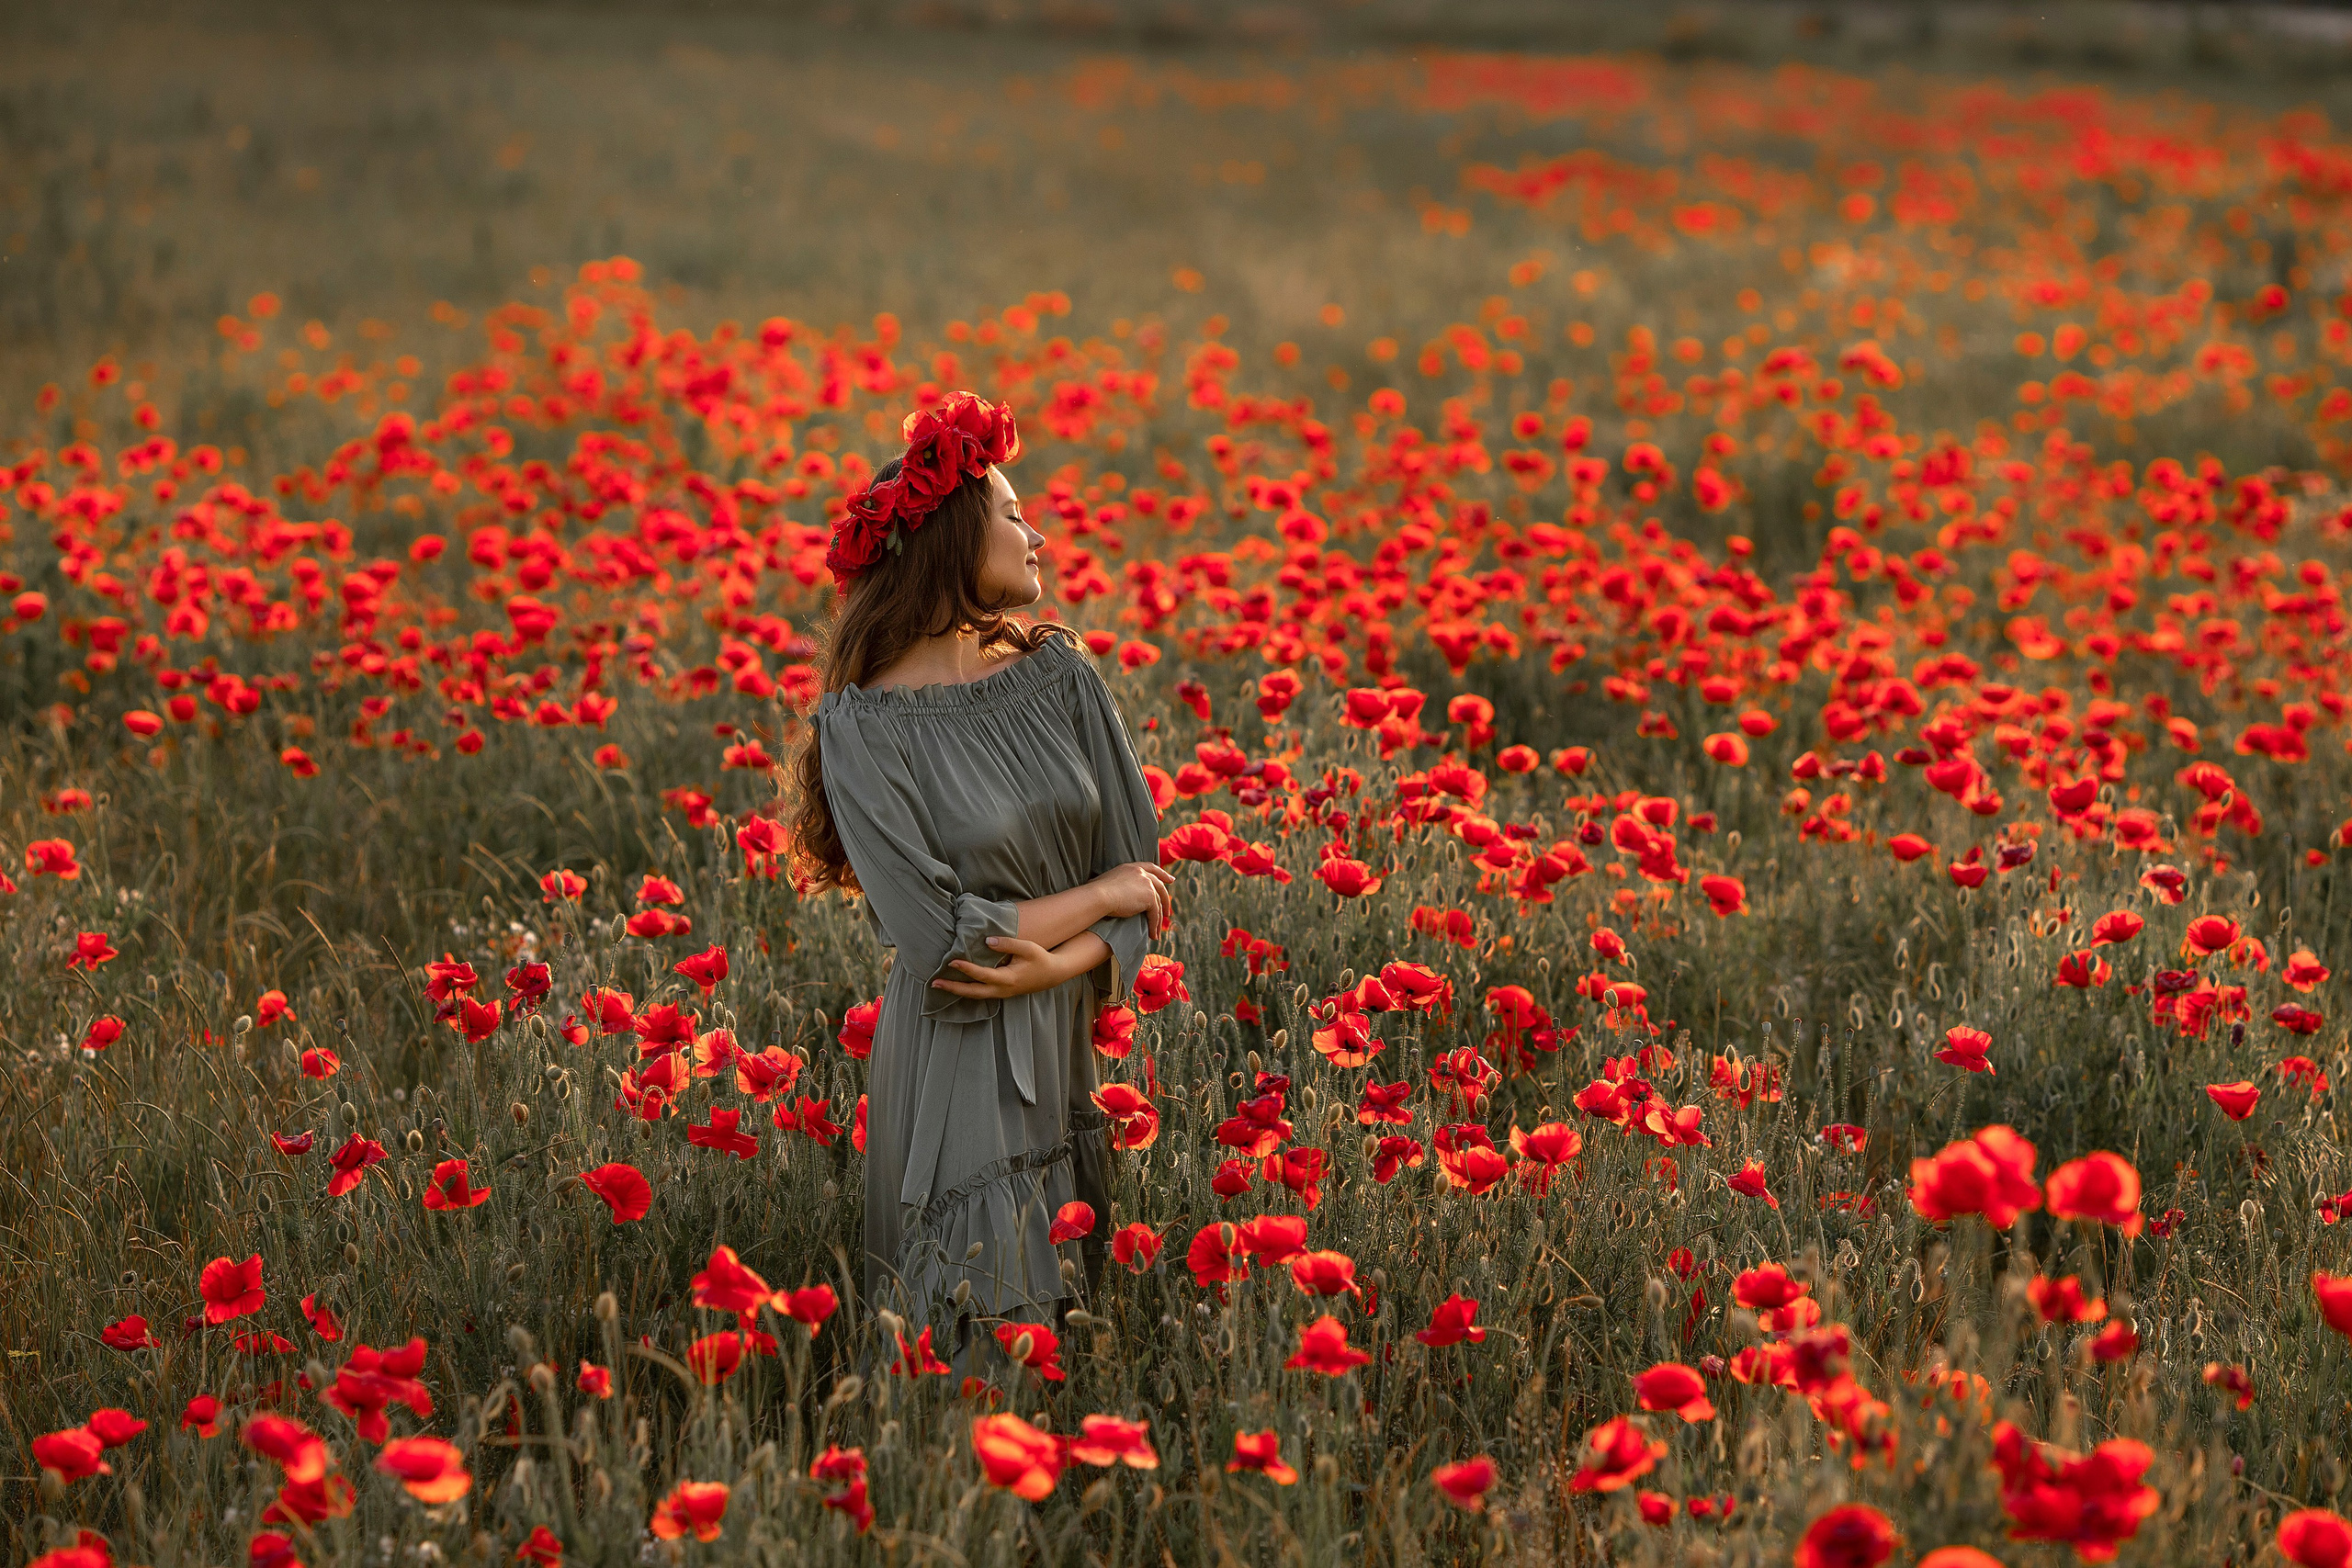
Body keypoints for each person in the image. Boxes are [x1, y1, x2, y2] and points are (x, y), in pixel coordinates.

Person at [782, 390, 1175, 1375]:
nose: (1036, 533)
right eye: (1011, 514)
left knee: (1072, 1340)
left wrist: (1060, 957)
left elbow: (1147, 877)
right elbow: (943, 945)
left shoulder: (1062, 678)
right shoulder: (862, 728)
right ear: (958, 537)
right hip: (955, 1058)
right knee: (968, 1349)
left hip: (1061, 1047)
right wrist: (1098, 903)